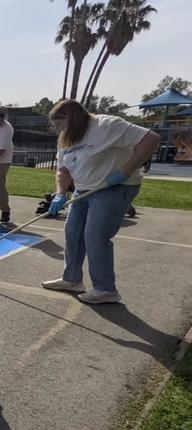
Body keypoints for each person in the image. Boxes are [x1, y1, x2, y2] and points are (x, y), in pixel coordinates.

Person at [42, 100, 159, 304]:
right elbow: (63, 170)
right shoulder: (66, 138)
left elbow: (151, 139)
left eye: (59, 123)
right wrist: (60, 193)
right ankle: (72, 280)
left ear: (72, 118)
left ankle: (105, 289)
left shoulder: (108, 125)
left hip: (113, 187)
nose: (56, 129)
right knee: (73, 232)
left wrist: (124, 172)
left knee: (95, 235)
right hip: (83, 189)